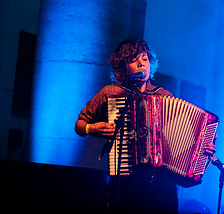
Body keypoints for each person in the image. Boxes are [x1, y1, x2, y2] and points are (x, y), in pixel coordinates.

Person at [75, 38, 216, 213]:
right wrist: (92, 128)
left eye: (145, 59)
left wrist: (203, 147)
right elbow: (80, 124)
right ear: (123, 67)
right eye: (134, 61)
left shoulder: (163, 95)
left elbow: (181, 137)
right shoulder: (111, 93)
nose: (142, 64)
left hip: (163, 188)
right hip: (126, 185)